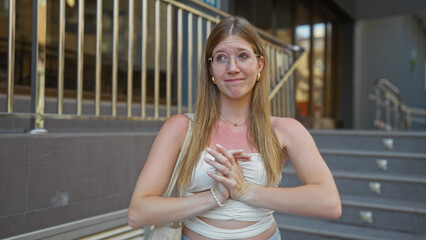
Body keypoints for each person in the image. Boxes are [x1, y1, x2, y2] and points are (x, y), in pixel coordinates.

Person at [128, 16, 341, 240]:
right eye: (221, 58)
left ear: (259, 64)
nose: (232, 68)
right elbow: (138, 212)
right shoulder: (180, 127)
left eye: (243, 56)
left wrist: (245, 190)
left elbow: (329, 202)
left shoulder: (285, 129)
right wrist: (214, 196)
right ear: (211, 69)